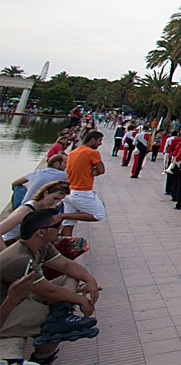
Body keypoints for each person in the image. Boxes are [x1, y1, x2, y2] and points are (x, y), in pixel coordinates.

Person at [0, 208, 101, 363]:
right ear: (41, 232)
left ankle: (62, 314)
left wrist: (89, 279)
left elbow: (66, 266)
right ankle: (43, 358)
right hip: (7, 309)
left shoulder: (41, 246)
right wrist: (81, 300)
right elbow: (48, 291)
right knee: (56, 325)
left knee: (70, 278)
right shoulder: (19, 259)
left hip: (22, 297)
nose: (61, 227)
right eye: (57, 225)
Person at [62, 131, 106, 237]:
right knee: (99, 214)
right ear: (92, 140)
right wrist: (93, 171)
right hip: (82, 192)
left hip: (69, 191)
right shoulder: (92, 153)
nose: (100, 144)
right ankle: (63, 215)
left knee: (68, 223)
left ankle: (64, 246)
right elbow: (101, 170)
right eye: (99, 141)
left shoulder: (73, 152)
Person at [1, 182, 71, 248]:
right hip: (12, 243)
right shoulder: (25, 210)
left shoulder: (50, 209)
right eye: (54, 198)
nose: (55, 202)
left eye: (60, 200)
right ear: (45, 193)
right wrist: (5, 254)